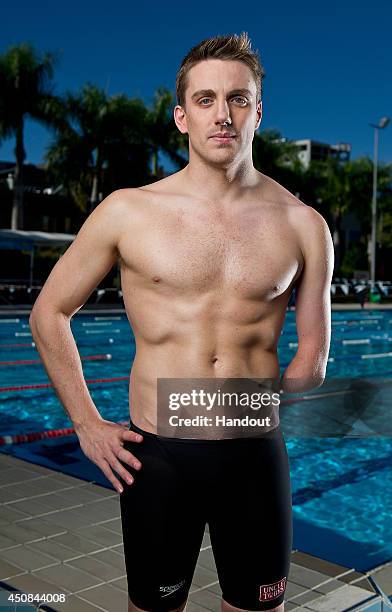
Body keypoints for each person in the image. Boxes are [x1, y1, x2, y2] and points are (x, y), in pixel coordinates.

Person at [29, 32, 334, 612]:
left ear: (258, 113)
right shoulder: (128, 211)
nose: (223, 114)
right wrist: (87, 426)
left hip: (253, 455)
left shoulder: (304, 225)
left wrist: (241, 401)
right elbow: (50, 313)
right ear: (181, 117)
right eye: (206, 100)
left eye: (239, 99)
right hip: (159, 458)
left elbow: (313, 360)